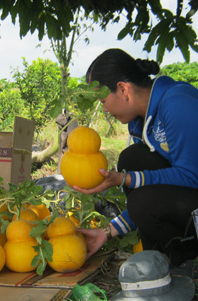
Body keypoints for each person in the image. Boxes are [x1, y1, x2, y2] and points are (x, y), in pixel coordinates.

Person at [74, 48, 198, 271]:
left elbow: (191, 175)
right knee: (132, 159)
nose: (104, 109)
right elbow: (157, 186)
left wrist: (127, 179)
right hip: (189, 200)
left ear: (123, 89)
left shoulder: (177, 103)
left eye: (103, 101)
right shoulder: (138, 122)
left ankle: (185, 257)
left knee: (140, 195)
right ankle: (163, 254)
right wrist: (108, 231)